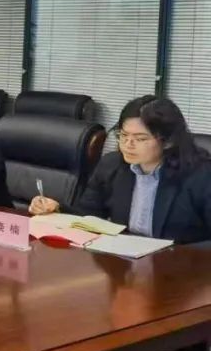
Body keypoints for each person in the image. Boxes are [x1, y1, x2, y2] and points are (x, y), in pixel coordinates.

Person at [30, 96, 211, 243]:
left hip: (180, 268)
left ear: (168, 141)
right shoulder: (111, 165)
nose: (128, 144)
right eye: (123, 135)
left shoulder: (201, 175)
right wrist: (57, 209)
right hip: (123, 261)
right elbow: (88, 217)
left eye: (140, 139)